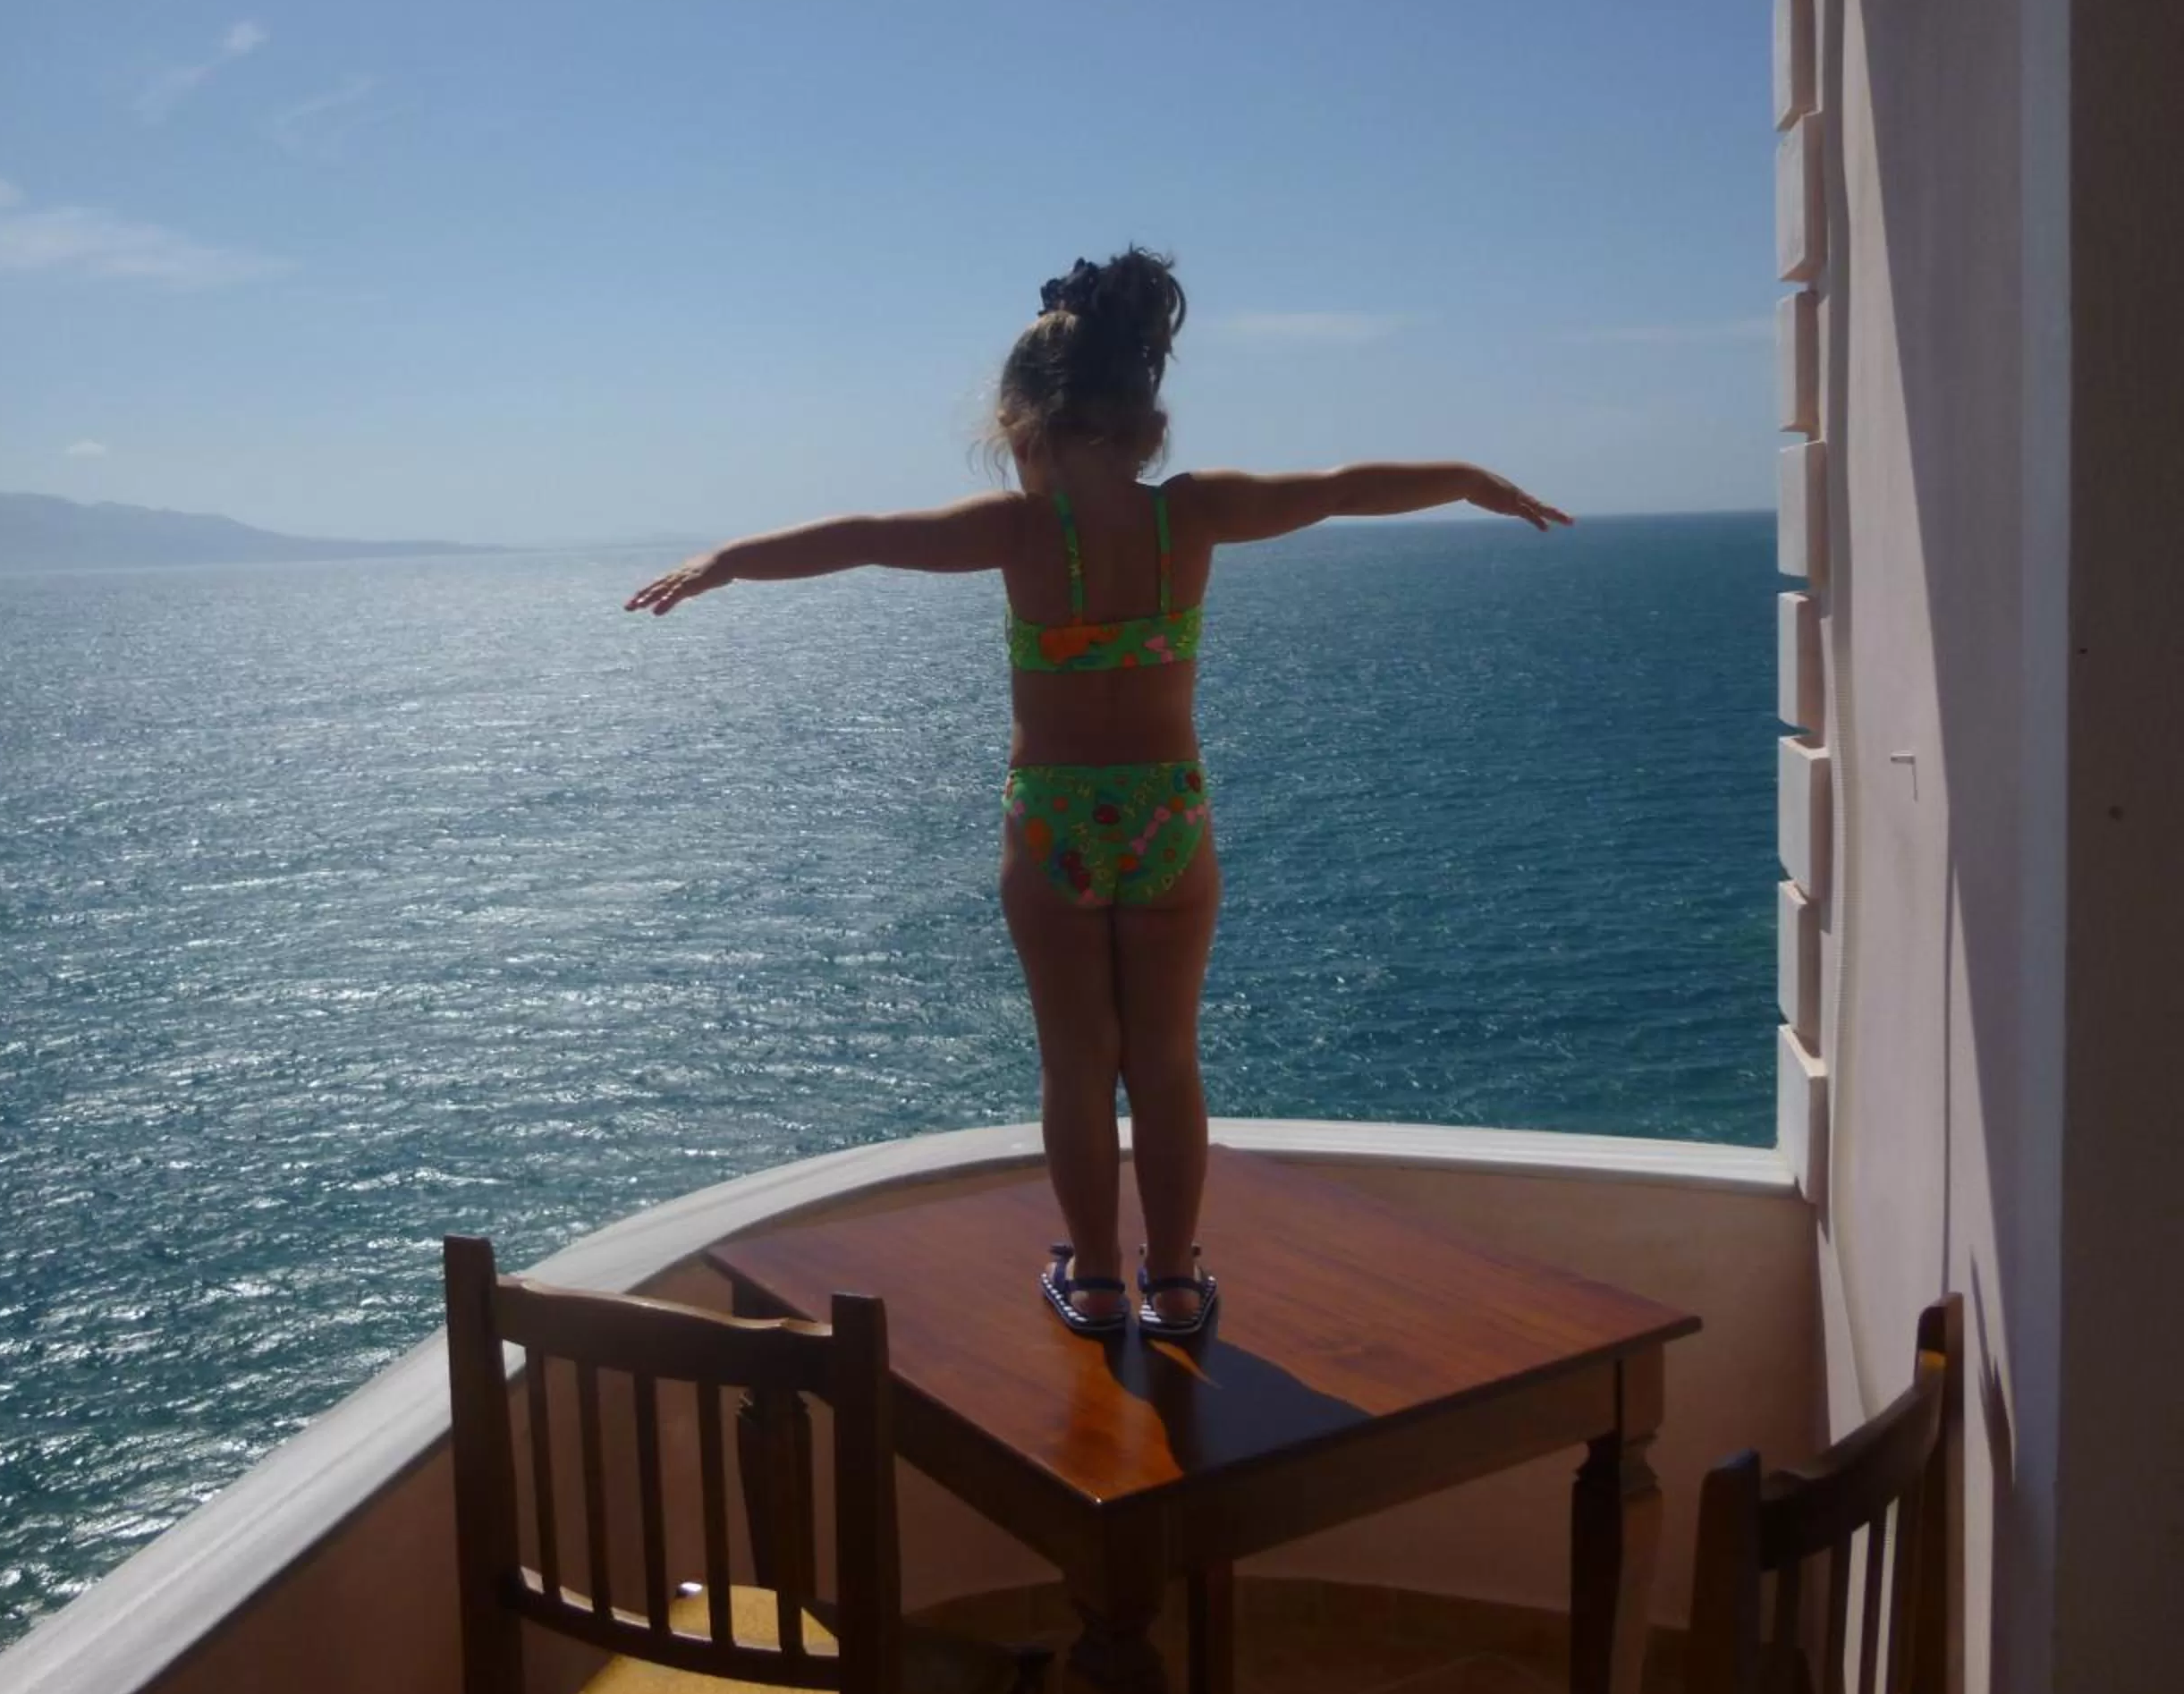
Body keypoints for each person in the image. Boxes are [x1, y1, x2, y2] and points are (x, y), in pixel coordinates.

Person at [625, 249, 1569, 1338]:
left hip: (1055, 820)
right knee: (1166, 1059)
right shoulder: (1194, 515)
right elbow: (1344, 489)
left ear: (1019, 433)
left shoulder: (1017, 533)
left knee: (1077, 1067)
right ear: (1152, 428)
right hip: (1169, 815)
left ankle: (1095, 1280)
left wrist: (725, 560)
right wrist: (1466, 479)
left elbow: (861, 539)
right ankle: (1173, 1279)